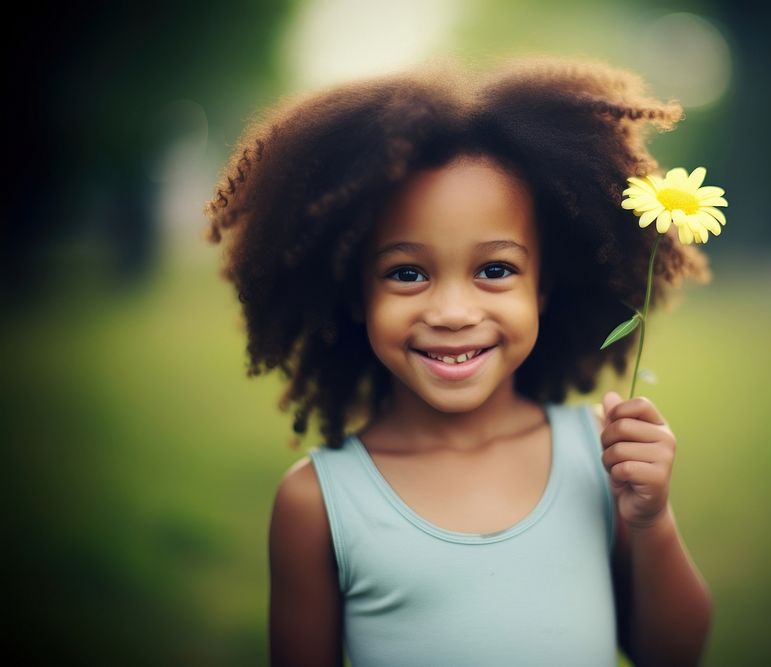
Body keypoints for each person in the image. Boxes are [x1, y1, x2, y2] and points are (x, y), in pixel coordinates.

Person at [203, 53, 714, 667]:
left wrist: (650, 518)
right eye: (407, 272)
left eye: (494, 270)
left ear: (543, 287)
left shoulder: (601, 459)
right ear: (357, 295)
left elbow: (675, 654)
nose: (451, 311)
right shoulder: (319, 503)